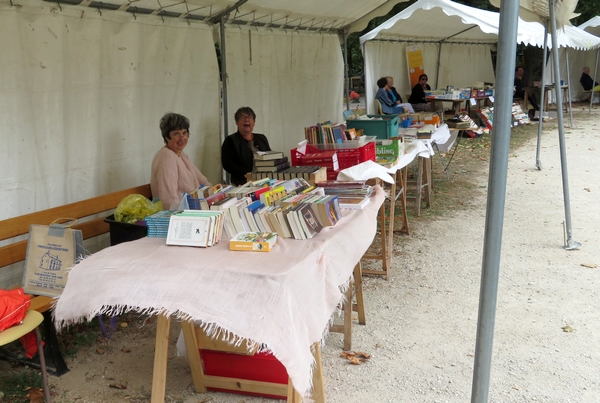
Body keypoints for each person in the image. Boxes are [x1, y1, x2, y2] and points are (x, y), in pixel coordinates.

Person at [151, 113, 212, 210]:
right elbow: (169, 198)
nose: (182, 138)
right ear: (167, 137)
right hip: (178, 215)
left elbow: (202, 180)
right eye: (176, 134)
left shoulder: (181, 154)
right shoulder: (166, 157)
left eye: (184, 133)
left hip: (192, 209)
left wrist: (215, 192)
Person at [221, 107, 271, 186]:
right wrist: (248, 173)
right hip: (242, 184)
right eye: (243, 117)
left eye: (249, 118)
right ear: (237, 122)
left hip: (264, 181)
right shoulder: (230, 140)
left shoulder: (262, 138)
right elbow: (227, 164)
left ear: (254, 122)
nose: (246, 120)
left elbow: (270, 158)